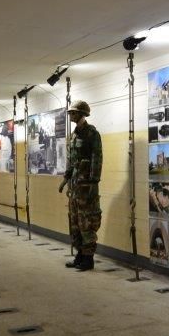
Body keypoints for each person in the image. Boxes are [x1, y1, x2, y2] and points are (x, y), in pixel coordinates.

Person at [61, 100, 103, 271]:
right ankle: (80, 254)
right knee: (75, 222)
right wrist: (66, 178)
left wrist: (93, 181)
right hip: (75, 187)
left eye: (74, 112)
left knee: (87, 222)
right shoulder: (73, 135)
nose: (71, 115)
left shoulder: (92, 134)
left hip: (86, 187)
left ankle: (88, 258)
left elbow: (97, 158)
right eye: (70, 113)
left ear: (82, 114)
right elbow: (72, 160)